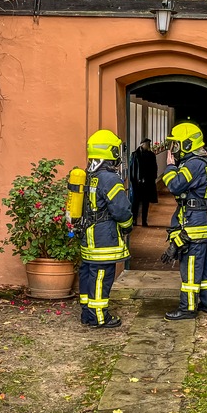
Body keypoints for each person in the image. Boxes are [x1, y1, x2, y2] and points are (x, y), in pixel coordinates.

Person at [160, 122, 207, 321]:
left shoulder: (194, 163)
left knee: (191, 268)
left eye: (176, 144)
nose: (173, 149)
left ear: (186, 144)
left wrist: (169, 167)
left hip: (194, 226)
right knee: (206, 268)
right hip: (203, 224)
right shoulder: (201, 161)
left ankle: (188, 308)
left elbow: (176, 186)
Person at [77, 129, 133, 328]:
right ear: (112, 152)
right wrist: (127, 227)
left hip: (88, 235)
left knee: (88, 273)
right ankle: (99, 317)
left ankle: (87, 313)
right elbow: (121, 209)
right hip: (103, 236)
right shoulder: (109, 178)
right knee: (101, 275)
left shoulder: (88, 175)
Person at [129, 137, 158, 227]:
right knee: (135, 203)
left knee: (145, 203)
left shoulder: (151, 155)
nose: (148, 146)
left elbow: (154, 168)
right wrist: (133, 181)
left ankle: (144, 221)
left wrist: (153, 179)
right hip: (137, 183)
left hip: (147, 183)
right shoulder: (135, 155)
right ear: (142, 144)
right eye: (147, 144)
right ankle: (134, 220)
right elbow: (132, 169)